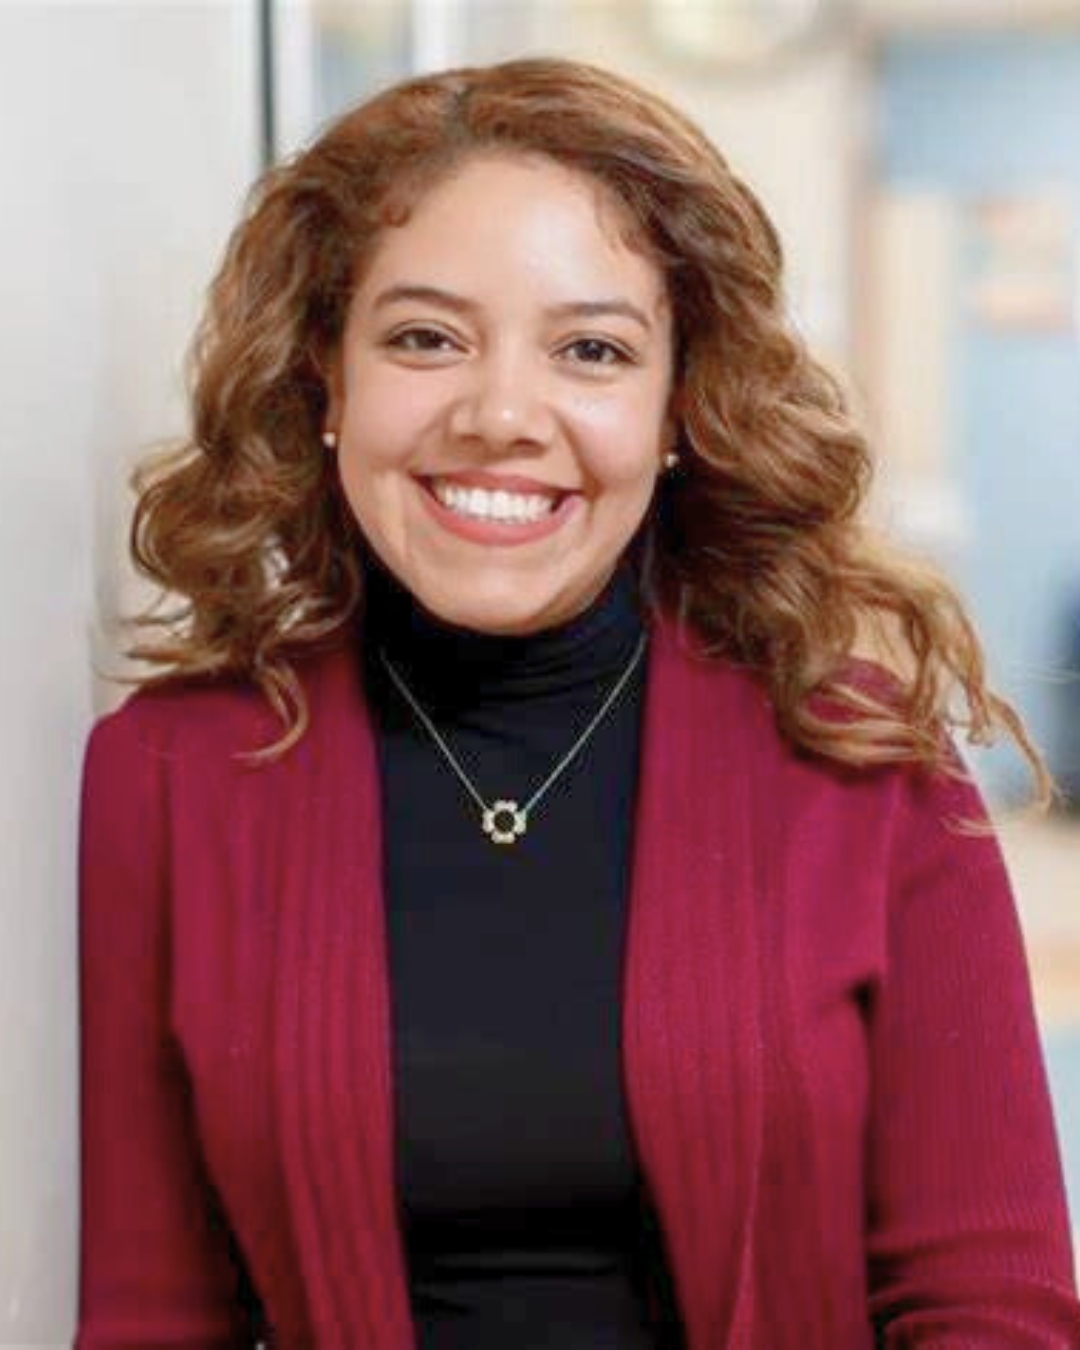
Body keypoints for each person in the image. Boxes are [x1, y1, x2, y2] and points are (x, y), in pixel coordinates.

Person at [76, 55, 1080, 1349]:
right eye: (425, 337)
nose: (502, 413)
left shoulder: (869, 765)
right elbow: (151, 1316)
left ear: (677, 408)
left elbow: (991, 1305)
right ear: (328, 377)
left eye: (591, 349)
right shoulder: (168, 777)